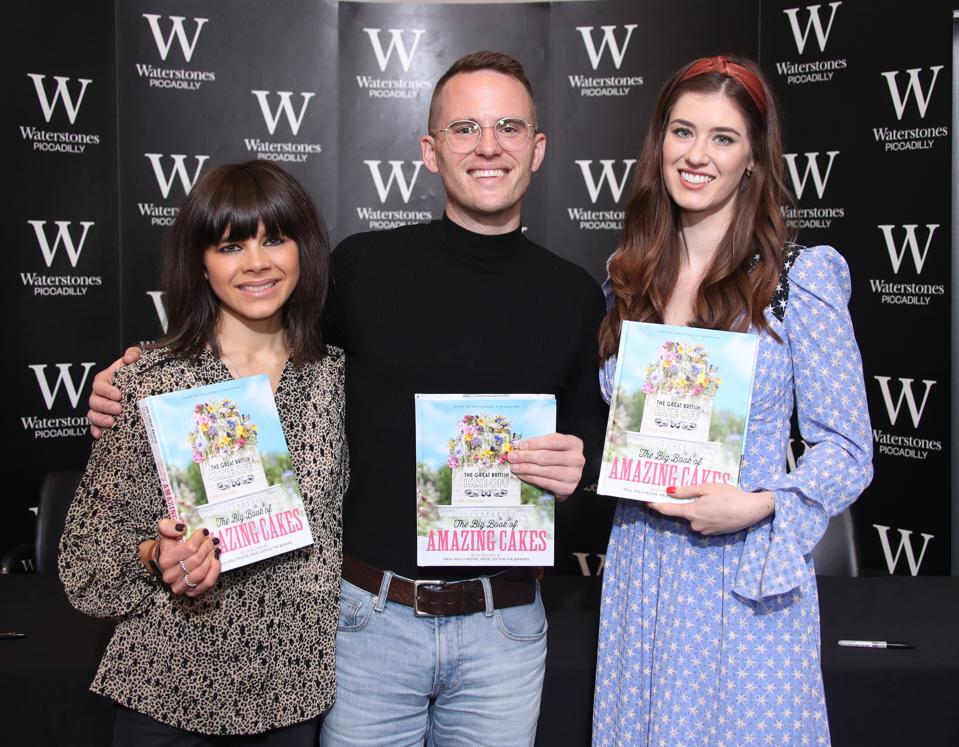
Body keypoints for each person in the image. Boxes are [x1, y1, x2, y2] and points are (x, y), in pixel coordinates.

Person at [86, 52, 608, 746]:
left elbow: (593, 453)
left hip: (504, 630)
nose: (488, 145)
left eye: (509, 127)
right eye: (464, 128)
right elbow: (258, 339)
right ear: (429, 150)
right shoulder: (363, 266)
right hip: (367, 623)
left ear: (537, 149)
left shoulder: (573, 293)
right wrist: (143, 371)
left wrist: (578, 472)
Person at [592, 55, 873, 745]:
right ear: (658, 143)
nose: (696, 154)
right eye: (681, 132)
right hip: (643, 566)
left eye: (722, 138)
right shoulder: (628, 277)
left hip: (745, 566)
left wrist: (758, 501)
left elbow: (848, 449)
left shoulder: (798, 280)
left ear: (752, 157)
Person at [60, 161, 348, 746]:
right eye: (230, 245)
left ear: (305, 249)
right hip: (168, 694)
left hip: (294, 699)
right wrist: (155, 553)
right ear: (201, 262)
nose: (257, 263)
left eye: (275, 239)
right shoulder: (149, 384)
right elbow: (85, 562)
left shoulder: (338, 380)